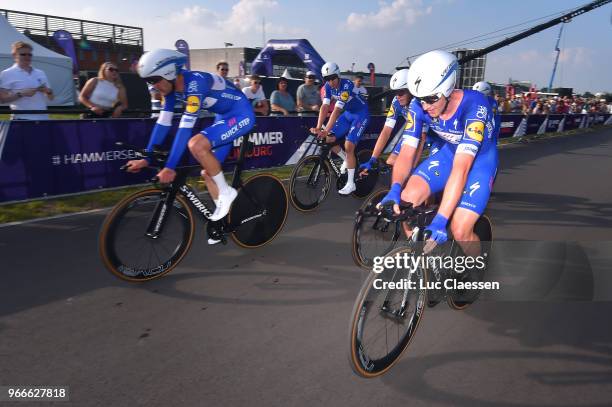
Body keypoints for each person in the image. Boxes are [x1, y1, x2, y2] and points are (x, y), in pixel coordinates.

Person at [379, 50, 497, 261]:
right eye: (420, 99)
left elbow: (461, 168)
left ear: (448, 87)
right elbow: (407, 153)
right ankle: (426, 263)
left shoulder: (476, 106)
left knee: (460, 229)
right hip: (448, 154)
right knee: (405, 202)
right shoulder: (418, 106)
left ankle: (477, 265)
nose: (425, 106)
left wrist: (441, 219)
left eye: (431, 98)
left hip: (479, 162)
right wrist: (395, 188)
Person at [125, 49, 255, 225]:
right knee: (209, 172)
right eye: (148, 81)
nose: (153, 86)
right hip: (223, 117)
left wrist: (170, 167)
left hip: (241, 114)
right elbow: (163, 123)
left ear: (169, 73)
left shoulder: (195, 84)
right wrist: (146, 158)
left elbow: (185, 129)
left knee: (196, 145)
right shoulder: (171, 90)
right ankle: (224, 221)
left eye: (154, 80)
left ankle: (226, 192)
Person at [360, 69, 435, 174]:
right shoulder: (396, 102)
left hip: (434, 137)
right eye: (395, 93)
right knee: (391, 162)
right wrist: (373, 159)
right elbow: (386, 131)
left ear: (411, 90)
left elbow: (421, 139)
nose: (398, 96)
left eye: (401, 92)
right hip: (415, 134)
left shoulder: (419, 104)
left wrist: (412, 167)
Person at [311, 62, 370, 195]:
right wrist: (318, 127)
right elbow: (325, 107)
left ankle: (351, 184)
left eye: (333, 78)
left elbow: (337, 110)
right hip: (348, 114)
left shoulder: (347, 84)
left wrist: (326, 129)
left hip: (361, 114)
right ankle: (347, 159)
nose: (331, 82)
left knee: (349, 145)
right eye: (327, 79)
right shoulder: (327, 86)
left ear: (338, 75)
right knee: (329, 139)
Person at [0, 41, 53, 120]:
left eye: (29, 54)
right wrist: (21, 94)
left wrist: (48, 91)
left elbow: (51, 98)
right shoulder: (7, 73)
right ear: (14, 56)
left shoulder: (40, 73)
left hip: (43, 118)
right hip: (21, 119)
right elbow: (2, 100)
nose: (27, 57)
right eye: (23, 54)